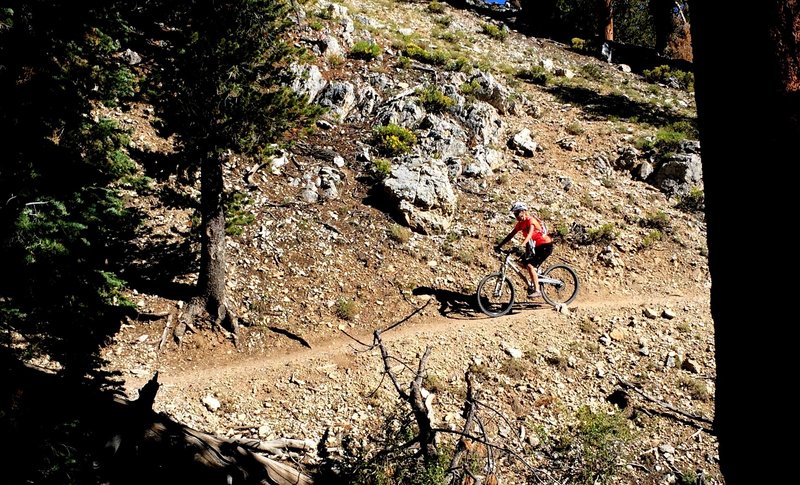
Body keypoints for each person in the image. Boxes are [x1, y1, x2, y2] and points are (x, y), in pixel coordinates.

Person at [494, 201, 554, 298]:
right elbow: (510, 235)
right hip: (535, 246)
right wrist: (499, 246)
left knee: (530, 266)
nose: (516, 216)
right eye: (514, 214)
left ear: (523, 211)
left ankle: (537, 290)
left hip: (546, 246)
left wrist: (521, 245)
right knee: (521, 262)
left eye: (517, 213)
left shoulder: (531, 220)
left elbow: (530, 234)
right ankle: (536, 275)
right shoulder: (520, 224)